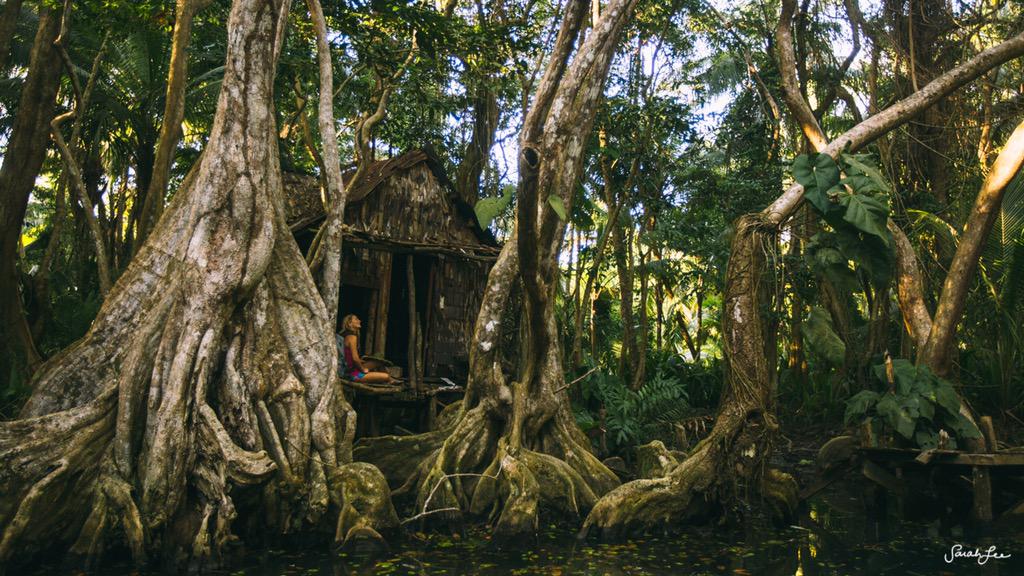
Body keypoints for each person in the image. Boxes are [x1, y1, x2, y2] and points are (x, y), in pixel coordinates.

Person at [339, 314, 394, 384]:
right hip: (351, 374)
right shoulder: (351, 337)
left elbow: (349, 357)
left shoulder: (346, 335)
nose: (359, 321)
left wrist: (360, 362)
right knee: (386, 376)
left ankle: (389, 380)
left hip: (352, 369)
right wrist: (363, 369)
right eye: (356, 319)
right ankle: (387, 379)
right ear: (349, 324)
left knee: (378, 362)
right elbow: (355, 359)